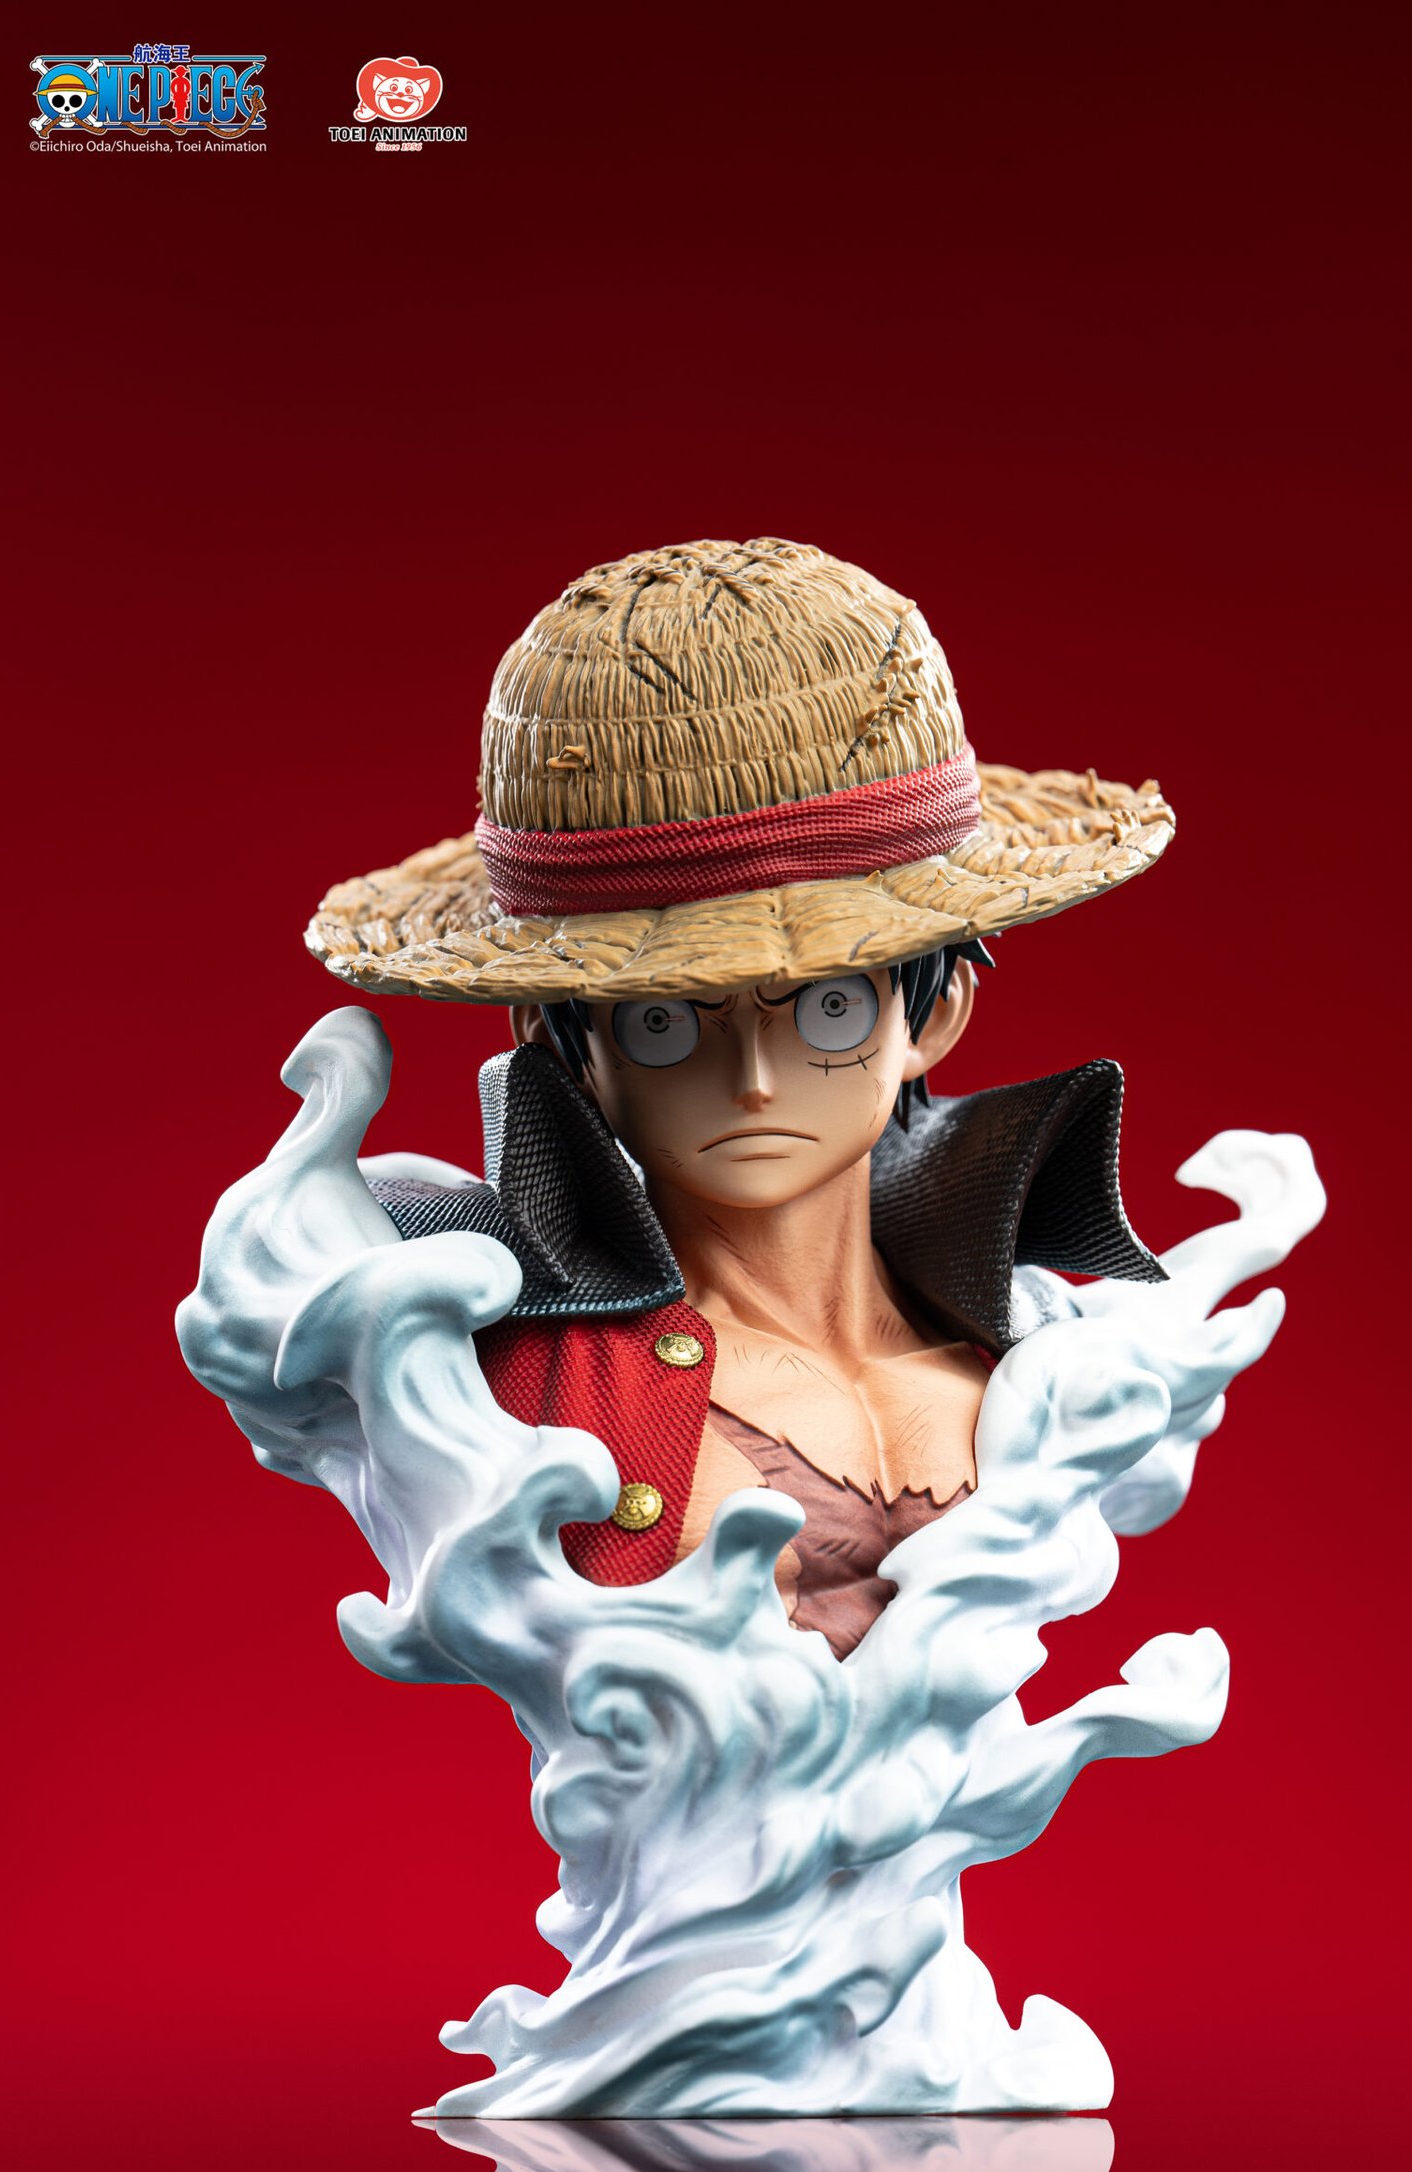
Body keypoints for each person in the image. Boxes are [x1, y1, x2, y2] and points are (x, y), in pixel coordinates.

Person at [306, 538, 1175, 1657]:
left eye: (826, 1010)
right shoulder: (503, 1364)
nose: (753, 1081)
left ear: (937, 1012)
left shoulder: (1045, 1340)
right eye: (665, 1023)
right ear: (556, 1039)